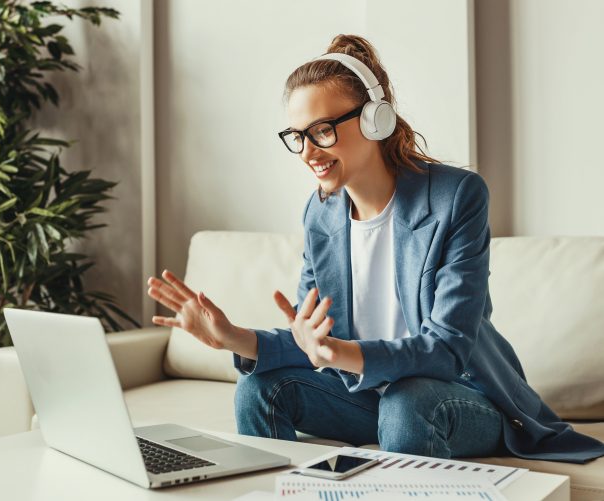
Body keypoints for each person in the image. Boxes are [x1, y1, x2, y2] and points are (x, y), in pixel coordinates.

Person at [147, 34, 604, 463]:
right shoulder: (320, 214)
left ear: (374, 119)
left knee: (407, 402)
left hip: (461, 396)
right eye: (297, 136)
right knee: (259, 388)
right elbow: (314, 337)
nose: (308, 151)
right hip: (372, 398)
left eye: (322, 130)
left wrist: (338, 354)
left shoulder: (456, 196)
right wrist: (234, 337)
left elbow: (447, 349)